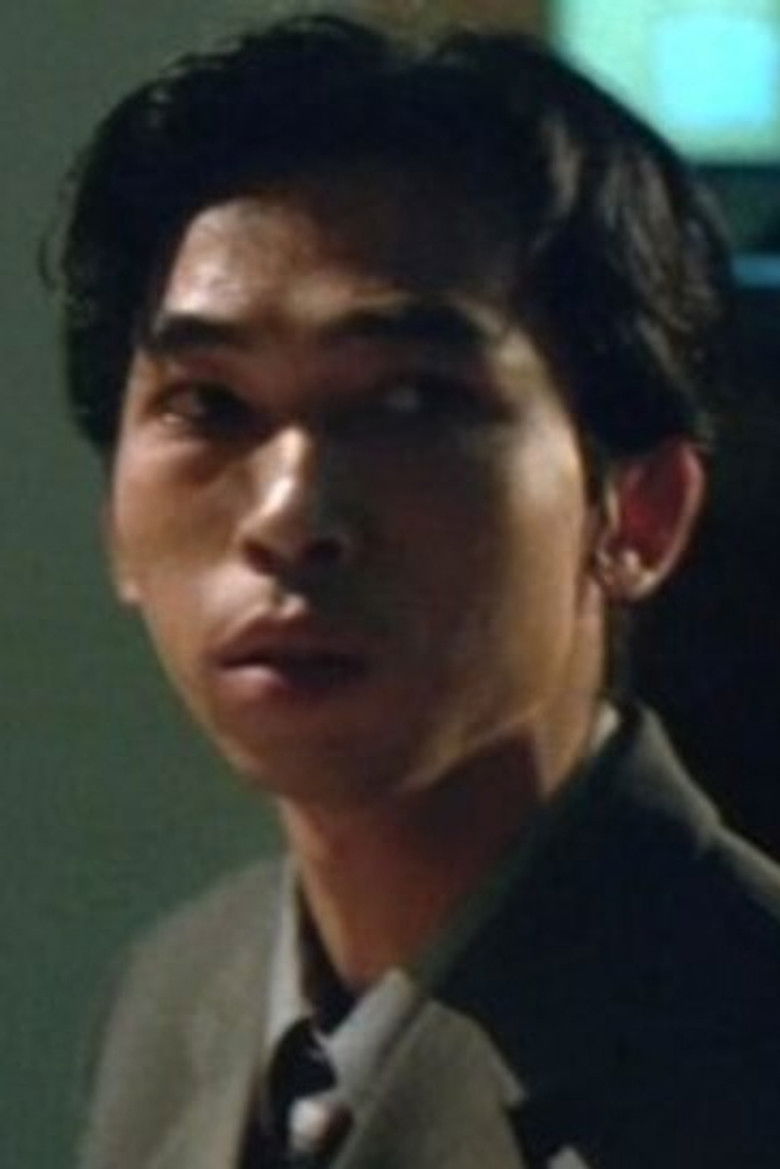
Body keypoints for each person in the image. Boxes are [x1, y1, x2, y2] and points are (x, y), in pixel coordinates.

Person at [54, 13, 780, 1169]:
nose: (289, 513)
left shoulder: (743, 1043)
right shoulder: (174, 993)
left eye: (409, 401)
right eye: (209, 404)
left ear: (637, 514)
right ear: (115, 527)